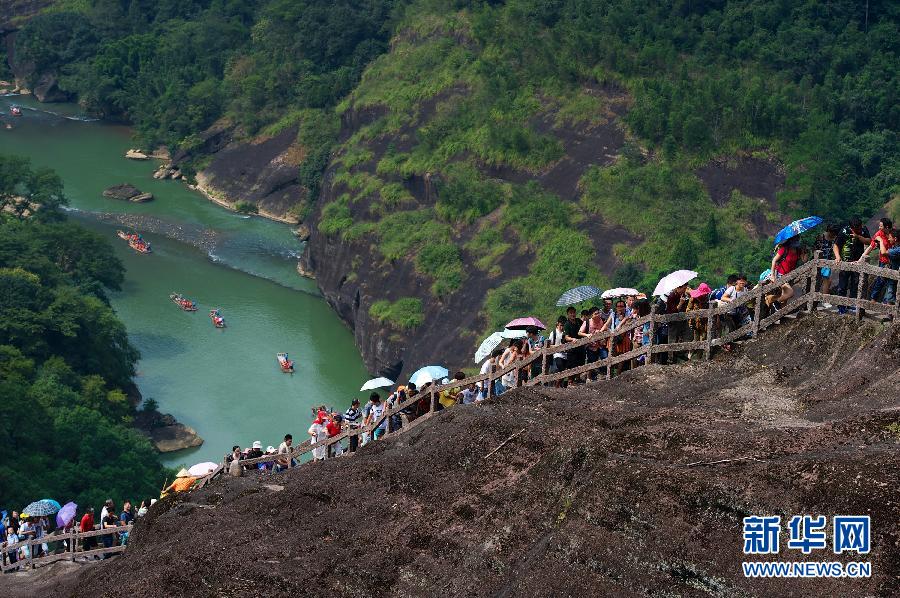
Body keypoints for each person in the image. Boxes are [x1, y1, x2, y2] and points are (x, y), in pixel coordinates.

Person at [834, 217, 871, 312]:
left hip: (858, 262)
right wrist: (838, 256)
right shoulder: (844, 231)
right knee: (842, 286)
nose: (859, 230)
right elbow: (836, 245)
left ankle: (851, 306)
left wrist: (858, 236)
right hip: (845, 262)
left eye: (859, 227)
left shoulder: (863, 230)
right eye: (856, 229)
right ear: (851, 227)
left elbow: (869, 241)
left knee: (855, 284)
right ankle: (841, 307)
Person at [859, 217, 896, 304]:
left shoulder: (894, 233)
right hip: (884, 261)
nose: (879, 227)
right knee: (880, 281)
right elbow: (871, 246)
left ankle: (887, 303)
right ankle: (873, 299)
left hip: (894, 261)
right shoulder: (879, 234)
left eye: (880, 226)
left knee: (892, 282)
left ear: (887, 227)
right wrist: (861, 258)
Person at [600, 299, 633, 374]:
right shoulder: (613, 314)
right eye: (618, 306)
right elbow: (607, 324)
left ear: (625, 307)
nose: (620, 308)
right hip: (613, 337)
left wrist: (623, 320)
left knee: (622, 356)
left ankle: (618, 372)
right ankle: (612, 371)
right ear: (616, 307)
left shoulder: (628, 315)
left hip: (623, 337)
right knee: (612, 354)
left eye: (621, 306)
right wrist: (600, 331)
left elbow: (628, 324)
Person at [767, 238, 801, 309]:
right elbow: (774, 260)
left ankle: (780, 314)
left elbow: (804, 260)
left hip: (790, 276)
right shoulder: (784, 249)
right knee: (790, 292)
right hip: (780, 275)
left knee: (785, 297)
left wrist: (806, 252)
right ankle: (775, 303)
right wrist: (772, 275)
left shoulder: (798, 250)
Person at [578, 307, 608, 381]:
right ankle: (589, 378)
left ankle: (603, 375)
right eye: (596, 314)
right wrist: (587, 335)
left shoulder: (602, 321)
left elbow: (606, 330)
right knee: (591, 361)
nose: (598, 315)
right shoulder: (587, 322)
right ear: (592, 315)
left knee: (605, 357)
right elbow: (579, 332)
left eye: (598, 313)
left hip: (600, 345)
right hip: (591, 346)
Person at [686, 283, 712, 359]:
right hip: (695, 321)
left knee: (703, 338)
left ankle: (699, 358)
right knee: (696, 339)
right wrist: (694, 315)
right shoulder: (693, 298)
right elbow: (688, 310)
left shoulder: (707, 298)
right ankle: (690, 352)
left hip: (704, 322)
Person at [563, 306, 584, 382]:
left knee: (580, 364)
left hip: (581, 347)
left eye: (574, 312)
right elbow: (566, 337)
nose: (573, 314)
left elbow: (584, 327)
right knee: (572, 365)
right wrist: (573, 339)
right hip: (572, 349)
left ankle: (578, 380)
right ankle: (570, 382)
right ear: (568, 314)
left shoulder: (579, 321)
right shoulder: (567, 324)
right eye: (571, 313)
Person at [547, 316, 568, 385]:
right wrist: (557, 347)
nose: (562, 327)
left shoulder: (565, 332)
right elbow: (548, 345)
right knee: (559, 367)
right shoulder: (553, 333)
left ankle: (559, 385)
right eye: (561, 325)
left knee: (563, 370)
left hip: (565, 355)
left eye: (563, 325)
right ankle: (556, 385)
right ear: (557, 324)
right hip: (556, 354)